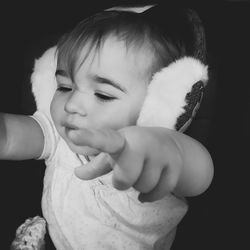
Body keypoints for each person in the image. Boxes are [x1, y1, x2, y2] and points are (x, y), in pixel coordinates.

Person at [1, 4, 214, 250]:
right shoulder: (60, 136)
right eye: (64, 87)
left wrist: (160, 146)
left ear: (156, 107)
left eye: (103, 94)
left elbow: (200, 174)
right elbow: (8, 137)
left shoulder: (156, 155)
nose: (72, 104)